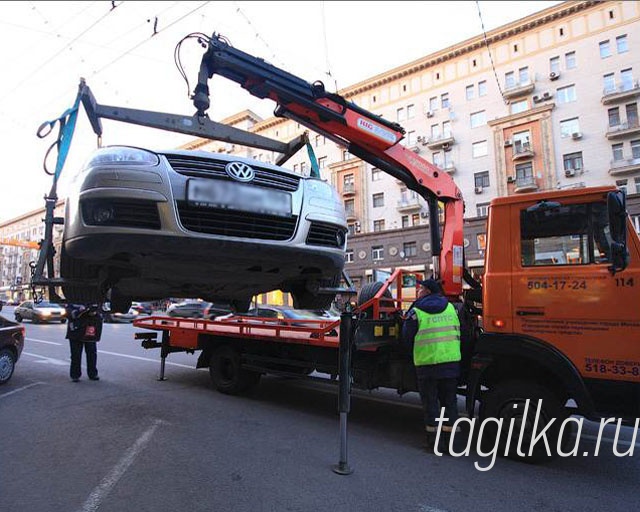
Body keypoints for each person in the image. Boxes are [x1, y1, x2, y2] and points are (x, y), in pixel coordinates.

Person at [402, 278, 461, 452]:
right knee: (450, 404)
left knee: (431, 405)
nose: (418, 291)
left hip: (427, 365)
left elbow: (407, 338)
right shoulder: (451, 308)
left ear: (427, 291)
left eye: (420, 288)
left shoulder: (417, 310)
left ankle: (434, 443)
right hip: (450, 364)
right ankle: (452, 444)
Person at [65, 303, 104, 382]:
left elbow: (100, 315)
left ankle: (93, 374)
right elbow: (70, 314)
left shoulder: (92, 302)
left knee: (92, 353)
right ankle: (75, 375)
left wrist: (94, 313)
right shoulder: (71, 302)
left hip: (89, 331)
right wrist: (81, 311)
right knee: (76, 355)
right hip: (75, 332)